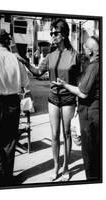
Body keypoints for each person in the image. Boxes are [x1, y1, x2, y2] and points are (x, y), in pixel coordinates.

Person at [20, 18, 80, 181]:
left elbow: (80, 81)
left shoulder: (75, 56)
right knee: (54, 135)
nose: (52, 35)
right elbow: (38, 72)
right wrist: (25, 61)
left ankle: (66, 168)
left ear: (65, 34)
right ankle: (56, 166)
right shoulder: (50, 55)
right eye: (51, 33)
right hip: (53, 99)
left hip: (68, 99)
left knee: (66, 134)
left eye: (56, 32)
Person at [54, 36, 101, 181]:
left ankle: (92, 181)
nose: (84, 49)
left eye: (86, 47)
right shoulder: (95, 64)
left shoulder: (94, 66)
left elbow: (83, 92)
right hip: (95, 112)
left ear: (91, 51)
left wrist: (64, 85)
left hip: (90, 114)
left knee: (90, 153)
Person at [0, 29, 29, 186]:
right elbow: (25, 84)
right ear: (7, 41)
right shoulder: (15, 58)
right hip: (12, 102)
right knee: (9, 141)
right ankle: (7, 178)